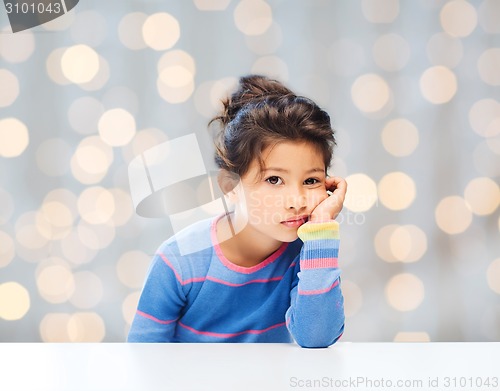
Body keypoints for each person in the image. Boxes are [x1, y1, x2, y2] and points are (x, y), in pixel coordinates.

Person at [128, 75, 347, 348]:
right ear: (230, 185)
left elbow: (316, 337)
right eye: (274, 180)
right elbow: (142, 356)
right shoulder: (179, 261)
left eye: (311, 180)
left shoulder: (308, 254)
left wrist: (321, 229)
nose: (297, 201)